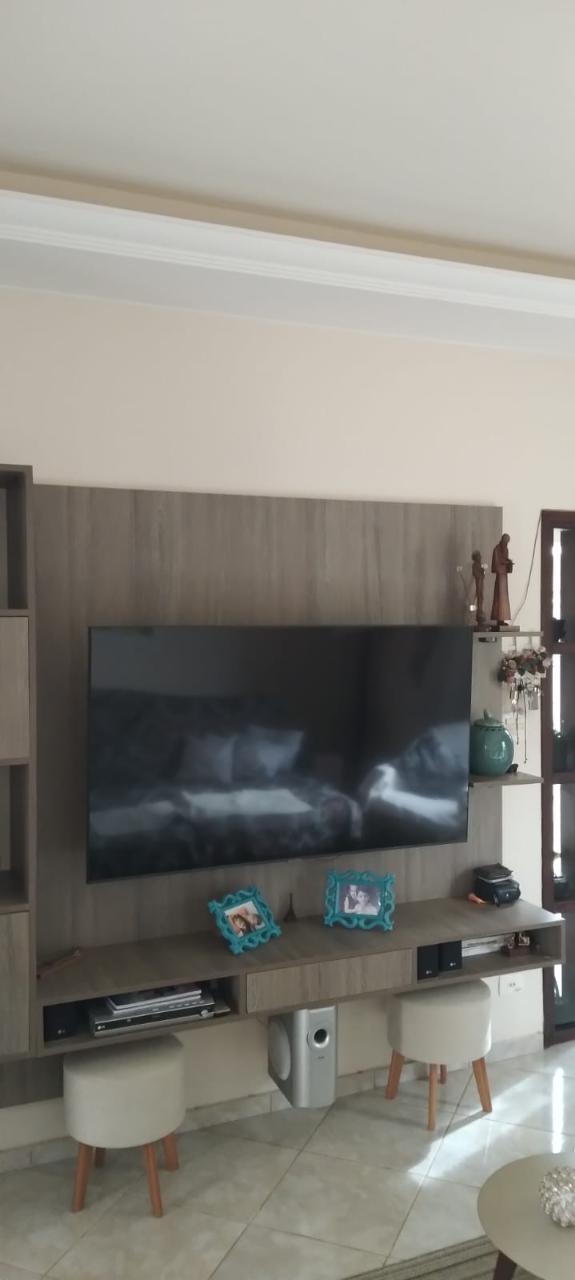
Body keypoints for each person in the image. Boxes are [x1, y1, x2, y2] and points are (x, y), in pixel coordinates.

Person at [491, 534, 513, 626]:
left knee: (504, 598)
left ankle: (503, 617)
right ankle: (498, 618)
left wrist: (508, 562)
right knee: (499, 597)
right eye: (506, 541)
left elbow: (504, 559)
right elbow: (496, 562)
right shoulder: (496, 549)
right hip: (500, 575)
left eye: (507, 542)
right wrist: (505, 562)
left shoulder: (506, 549)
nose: (506, 543)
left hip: (504, 575)